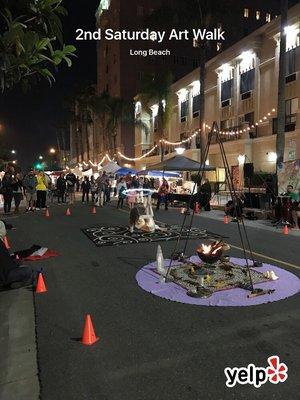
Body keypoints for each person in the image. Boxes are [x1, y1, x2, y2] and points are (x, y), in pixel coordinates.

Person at [0, 221, 33, 289]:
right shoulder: (0, 244)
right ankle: (11, 284)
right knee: (28, 270)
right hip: (5, 275)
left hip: (5, 271)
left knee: (18, 262)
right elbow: (7, 264)